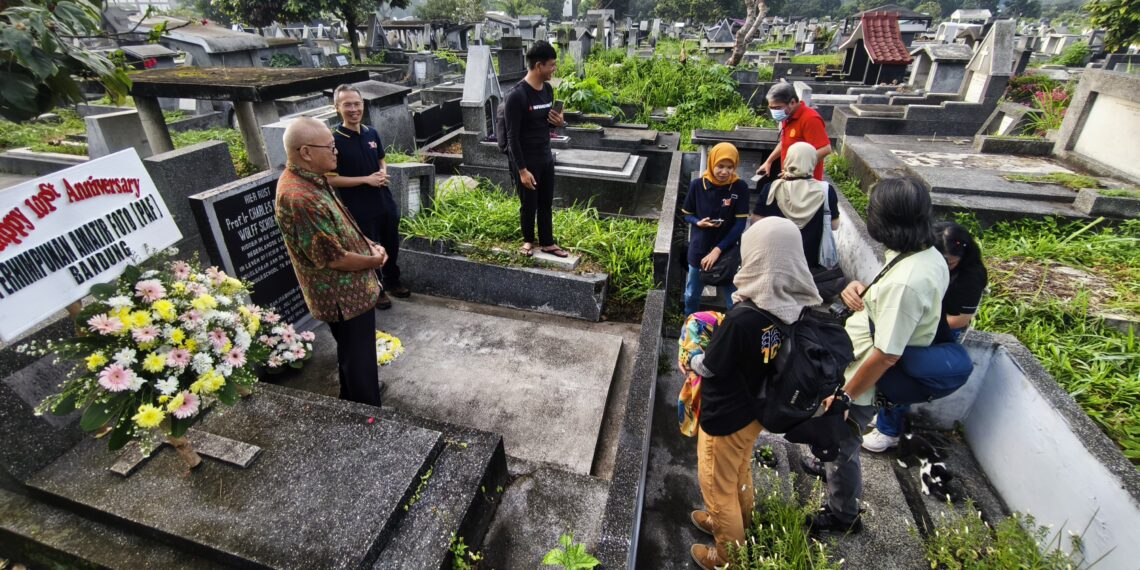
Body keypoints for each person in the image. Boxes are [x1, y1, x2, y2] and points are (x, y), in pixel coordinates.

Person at [809, 177, 949, 535]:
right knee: (835, 438)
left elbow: (887, 353)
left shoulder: (908, 282)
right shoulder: (923, 253)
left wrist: (845, 395)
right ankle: (824, 457)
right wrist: (863, 291)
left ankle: (843, 514)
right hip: (854, 359)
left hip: (861, 381)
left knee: (843, 447)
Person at [685, 217, 823, 569]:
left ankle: (726, 556)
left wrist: (693, 355)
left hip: (725, 415)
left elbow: (710, 367)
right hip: (754, 412)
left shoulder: (742, 318)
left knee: (717, 488)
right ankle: (737, 522)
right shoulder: (792, 306)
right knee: (739, 471)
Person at [276, 117, 388, 407]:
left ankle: (351, 397)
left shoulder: (312, 179)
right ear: (306, 152)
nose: (336, 151)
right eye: (330, 146)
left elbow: (342, 224)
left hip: (351, 290)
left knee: (354, 354)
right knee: (358, 356)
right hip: (342, 296)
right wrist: (373, 259)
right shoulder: (300, 197)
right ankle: (367, 412)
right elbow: (333, 258)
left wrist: (369, 243)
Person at [861, 220, 988, 452]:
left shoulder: (971, 276)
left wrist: (918, 322)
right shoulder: (924, 260)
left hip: (940, 332)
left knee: (902, 377)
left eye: (950, 262)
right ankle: (881, 415)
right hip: (919, 323)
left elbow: (960, 319)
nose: (944, 265)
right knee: (885, 371)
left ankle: (888, 431)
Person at [327, 84, 410, 311]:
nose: (353, 109)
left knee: (391, 244)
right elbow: (330, 179)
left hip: (384, 200)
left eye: (357, 104)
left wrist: (383, 171)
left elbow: (381, 158)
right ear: (337, 108)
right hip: (359, 206)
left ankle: (393, 281)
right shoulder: (334, 140)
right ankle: (377, 289)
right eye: (347, 105)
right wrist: (366, 179)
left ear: (363, 105)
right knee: (369, 249)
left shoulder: (371, 132)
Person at [504, 40, 569, 258]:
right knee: (528, 204)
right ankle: (528, 241)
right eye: (552, 65)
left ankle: (548, 242)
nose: (554, 69)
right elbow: (512, 137)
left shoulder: (548, 90)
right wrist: (521, 170)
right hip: (526, 161)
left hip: (545, 157)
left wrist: (559, 123)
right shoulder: (517, 95)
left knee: (545, 203)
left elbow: (546, 124)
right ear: (539, 66)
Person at [681, 142, 750, 316]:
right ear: (712, 163)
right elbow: (687, 214)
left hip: (726, 251)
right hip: (699, 248)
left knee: (733, 298)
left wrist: (718, 250)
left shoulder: (739, 187)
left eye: (730, 167)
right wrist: (698, 222)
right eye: (720, 166)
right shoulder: (698, 185)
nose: (724, 172)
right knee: (691, 295)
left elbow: (740, 224)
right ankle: (689, 324)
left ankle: (731, 329)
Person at [751, 141, 841, 270]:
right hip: (810, 263)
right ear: (813, 161)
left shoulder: (771, 188)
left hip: (775, 258)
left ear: (788, 159)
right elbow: (834, 225)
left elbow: (755, 221)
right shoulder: (826, 190)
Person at [755, 82, 831, 181]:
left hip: (806, 182)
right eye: (771, 108)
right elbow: (785, 142)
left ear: (793, 102)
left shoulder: (810, 119)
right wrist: (768, 161)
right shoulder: (787, 115)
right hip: (789, 177)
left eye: (778, 108)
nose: (775, 112)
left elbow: (825, 149)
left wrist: (797, 169)